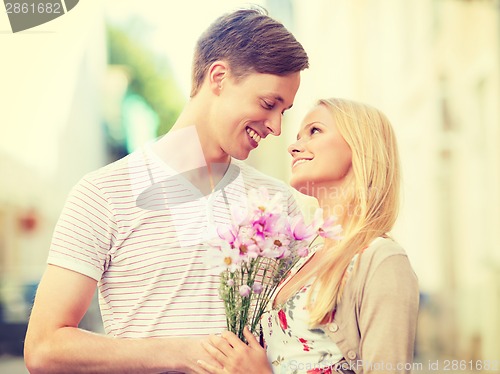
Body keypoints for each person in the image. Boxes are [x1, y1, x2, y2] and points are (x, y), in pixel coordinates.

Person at [24, 7, 309, 374]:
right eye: (269, 104)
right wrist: (185, 353)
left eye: (284, 111)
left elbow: (301, 333)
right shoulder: (102, 194)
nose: (276, 127)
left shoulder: (278, 201)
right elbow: (44, 348)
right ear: (218, 78)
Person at [197, 98, 420, 374]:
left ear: (360, 146)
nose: (293, 147)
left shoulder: (382, 260)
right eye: (299, 136)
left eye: (314, 131)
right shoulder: (303, 254)